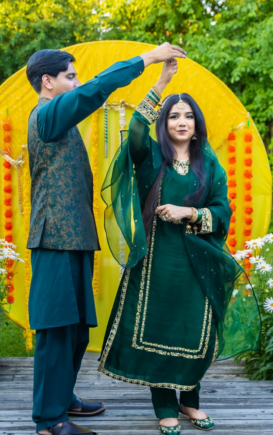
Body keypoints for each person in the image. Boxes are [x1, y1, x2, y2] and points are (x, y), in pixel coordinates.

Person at [26, 43, 187, 435]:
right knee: (56, 329)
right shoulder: (47, 115)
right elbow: (96, 89)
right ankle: (49, 419)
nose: (76, 83)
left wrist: (162, 81)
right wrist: (147, 59)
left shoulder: (59, 119)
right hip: (54, 240)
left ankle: (62, 398)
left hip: (76, 238)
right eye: (70, 76)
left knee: (77, 328)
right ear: (47, 81)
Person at [98, 60, 260, 434]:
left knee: (194, 333)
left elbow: (222, 210)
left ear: (197, 124)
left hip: (197, 262)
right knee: (158, 332)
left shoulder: (209, 164)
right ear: (165, 123)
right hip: (156, 262)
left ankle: (190, 402)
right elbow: (136, 128)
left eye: (188, 116)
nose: (182, 122)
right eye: (174, 116)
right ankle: (164, 405)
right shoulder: (152, 156)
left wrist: (190, 212)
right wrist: (161, 82)